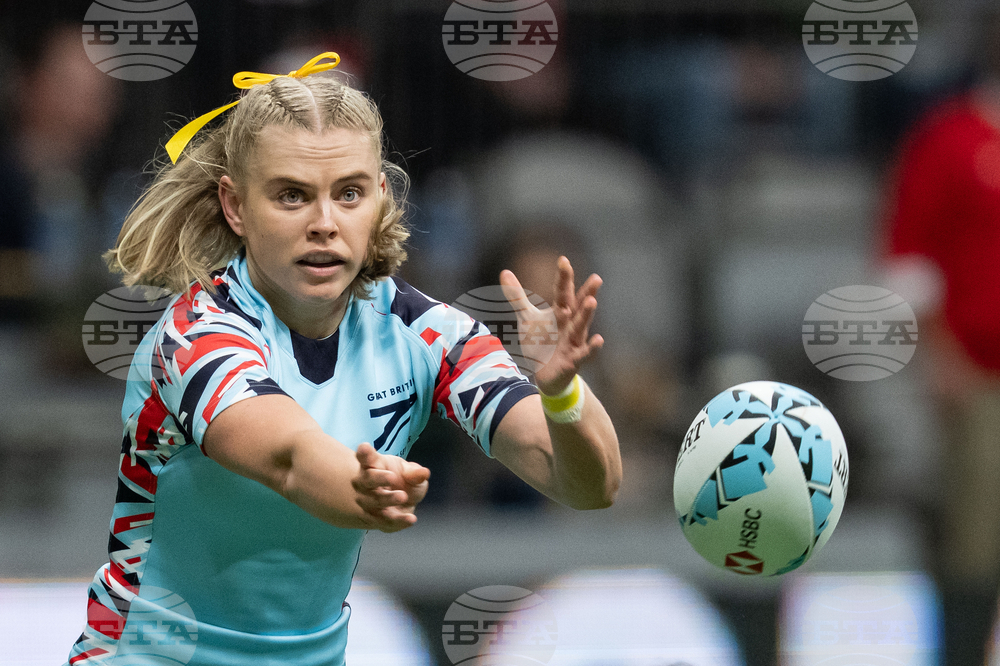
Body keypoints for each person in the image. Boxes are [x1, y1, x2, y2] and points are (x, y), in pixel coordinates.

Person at [64, 53, 621, 664]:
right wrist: (363, 485)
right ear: (236, 207)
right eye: (292, 197)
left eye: (348, 194)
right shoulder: (196, 336)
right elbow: (291, 461)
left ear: (379, 199)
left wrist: (565, 394)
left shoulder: (427, 334)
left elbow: (589, 486)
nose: (324, 224)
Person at [880, 12, 1000, 664]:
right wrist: (943, 359)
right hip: (982, 379)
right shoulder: (950, 139)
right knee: (976, 546)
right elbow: (909, 264)